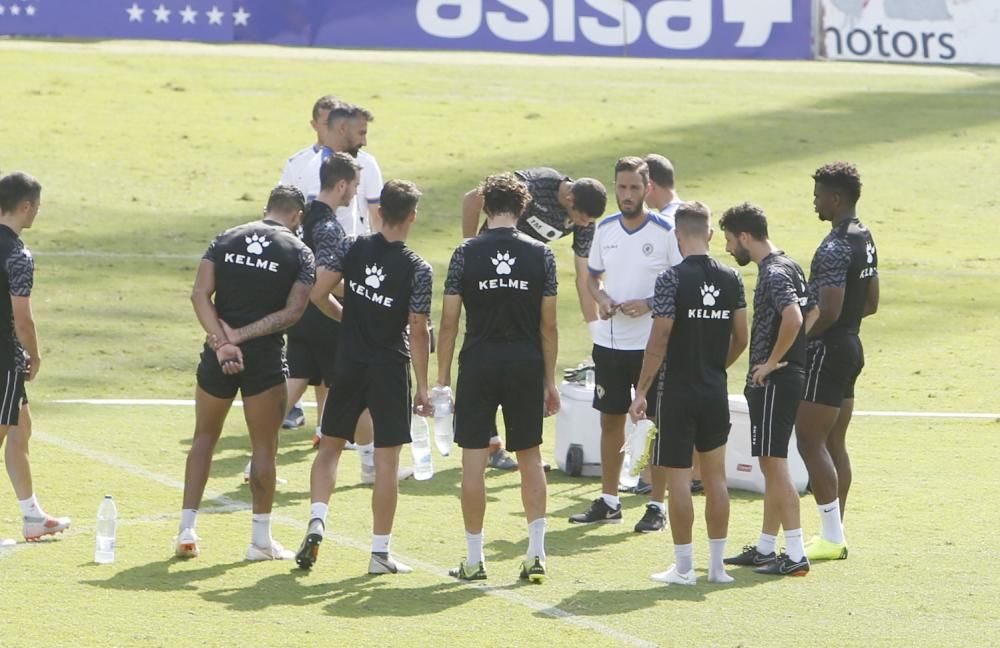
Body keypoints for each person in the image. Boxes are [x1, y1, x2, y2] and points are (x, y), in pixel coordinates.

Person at [295, 180, 432, 575]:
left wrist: (348, 318)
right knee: (386, 464)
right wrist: (422, 387)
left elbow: (319, 293)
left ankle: (318, 518)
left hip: (349, 363)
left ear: (378, 211)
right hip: (390, 368)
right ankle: (379, 553)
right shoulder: (418, 268)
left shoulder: (353, 247)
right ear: (412, 217)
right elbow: (419, 328)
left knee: (330, 449)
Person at [176, 185, 315, 560]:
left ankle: (186, 529)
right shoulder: (300, 252)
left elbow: (199, 294)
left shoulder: (226, 238)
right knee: (264, 447)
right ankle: (260, 541)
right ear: (297, 217)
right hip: (265, 360)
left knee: (204, 437)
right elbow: (293, 312)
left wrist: (222, 342)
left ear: (265, 208)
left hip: (217, 355)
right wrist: (241, 336)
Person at [437, 173, 559, 583]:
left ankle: (475, 559)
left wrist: (442, 380)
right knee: (531, 457)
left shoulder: (465, 253)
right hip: (526, 362)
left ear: (486, 207)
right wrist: (550, 382)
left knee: (473, 462)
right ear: (523, 208)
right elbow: (549, 327)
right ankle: (536, 553)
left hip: (478, 363)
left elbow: (449, 323)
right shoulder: (541, 255)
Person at [629, 201, 748, 585]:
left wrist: (641, 390)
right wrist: (715, 369)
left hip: (675, 392)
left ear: (677, 236)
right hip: (714, 392)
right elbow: (741, 338)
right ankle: (716, 568)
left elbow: (659, 338)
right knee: (715, 479)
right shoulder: (732, 278)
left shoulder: (670, 280)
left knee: (679, 481)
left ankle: (683, 569)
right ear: (710, 235)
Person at [462, 167, 606, 471]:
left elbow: (583, 276)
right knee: (484, 349)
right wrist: (469, 250)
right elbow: (471, 199)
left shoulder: (585, 221)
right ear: (568, 197)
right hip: (490, 273)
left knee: (523, 353)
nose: (581, 225)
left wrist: (597, 333)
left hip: (524, 280)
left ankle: (525, 447)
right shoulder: (537, 184)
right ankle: (490, 444)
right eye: (579, 218)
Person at [568, 157, 682, 532]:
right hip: (611, 343)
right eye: (622, 187)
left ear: (648, 189)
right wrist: (602, 300)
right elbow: (593, 279)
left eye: (635, 188)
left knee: (655, 422)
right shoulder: (606, 229)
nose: (628, 194)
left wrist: (649, 303)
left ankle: (656, 504)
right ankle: (610, 499)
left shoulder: (666, 231)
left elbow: (681, 282)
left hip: (653, 344)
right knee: (610, 420)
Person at [719, 202, 812, 577]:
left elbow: (794, 317)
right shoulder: (788, 264)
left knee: (775, 466)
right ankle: (764, 548)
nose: (727, 249)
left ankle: (795, 553)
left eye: (729, 240)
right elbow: (810, 312)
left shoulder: (773, 273)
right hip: (781, 379)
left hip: (775, 381)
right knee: (769, 464)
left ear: (745, 236)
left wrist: (773, 362)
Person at [796, 162, 879, 561]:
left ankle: (831, 537)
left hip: (828, 349)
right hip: (852, 346)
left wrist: (799, 341)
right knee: (834, 442)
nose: (814, 202)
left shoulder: (833, 246)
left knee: (810, 440)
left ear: (836, 198)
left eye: (818, 195)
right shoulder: (866, 237)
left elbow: (827, 311)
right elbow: (871, 303)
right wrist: (845, 324)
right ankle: (835, 531)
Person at [0, 171, 71, 543]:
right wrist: (35, 356)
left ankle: (32, 515)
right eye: (37, 208)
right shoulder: (17, 255)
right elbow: (22, 318)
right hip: (3, 361)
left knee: (20, 427)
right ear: (26, 206)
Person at [278, 94, 340, 432]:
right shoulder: (300, 163)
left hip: (325, 270)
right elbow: (280, 208)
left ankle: (324, 425)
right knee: (318, 349)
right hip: (315, 269)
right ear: (315, 124)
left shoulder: (361, 163)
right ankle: (324, 425)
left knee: (312, 355)